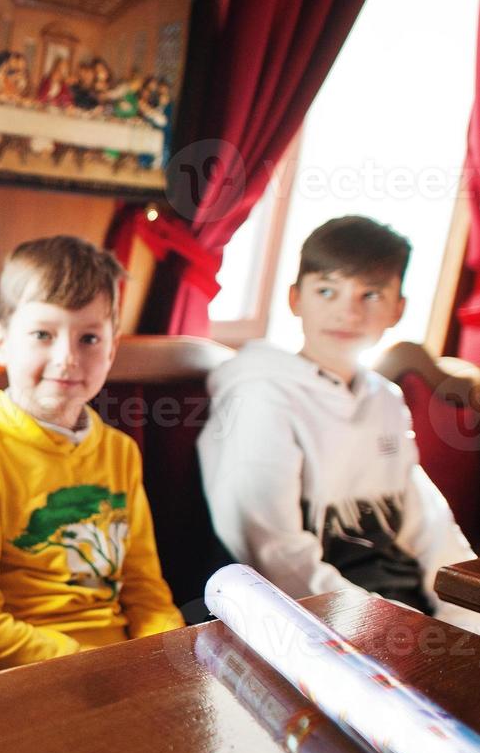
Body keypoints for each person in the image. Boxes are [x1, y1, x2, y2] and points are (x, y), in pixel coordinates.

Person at [0, 236, 185, 675]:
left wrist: (169, 654)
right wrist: (88, 665)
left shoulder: (120, 452)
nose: (67, 358)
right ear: (1, 342)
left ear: (111, 350)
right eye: (43, 335)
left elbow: (146, 592)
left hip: (120, 665)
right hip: (15, 672)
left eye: (88, 338)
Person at [198, 216, 473, 618]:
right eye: (327, 290)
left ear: (399, 308)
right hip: (309, 618)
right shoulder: (260, 395)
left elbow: (430, 528)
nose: (348, 312)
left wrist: (463, 614)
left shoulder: (384, 399)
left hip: (404, 607)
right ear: (295, 299)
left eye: (372, 295)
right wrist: (386, 624)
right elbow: (274, 554)